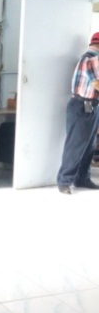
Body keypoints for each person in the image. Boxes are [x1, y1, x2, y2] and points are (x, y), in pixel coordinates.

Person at [57, 32, 99, 194]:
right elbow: (97, 83)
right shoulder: (93, 58)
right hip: (82, 106)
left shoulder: (90, 58)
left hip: (90, 105)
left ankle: (82, 178)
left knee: (89, 145)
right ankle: (64, 181)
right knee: (76, 145)